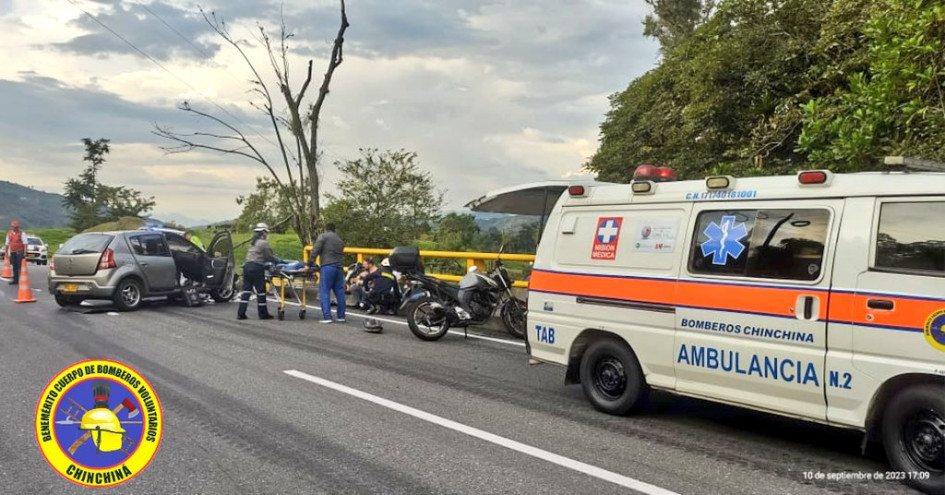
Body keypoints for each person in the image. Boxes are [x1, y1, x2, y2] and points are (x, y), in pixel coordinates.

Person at [236, 223, 283, 320]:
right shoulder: (263, 243)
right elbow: (269, 256)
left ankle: (241, 313)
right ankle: (263, 314)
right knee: (261, 291)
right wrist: (279, 261)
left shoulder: (252, 243)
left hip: (247, 267)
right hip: (256, 268)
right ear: (263, 233)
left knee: (246, 291)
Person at [309, 223, 346, 323]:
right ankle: (341, 316)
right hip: (339, 267)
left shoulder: (323, 236)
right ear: (334, 230)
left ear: (325, 229)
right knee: (340, 292)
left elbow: (315, 250)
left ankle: (327, 317)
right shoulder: (339, 240)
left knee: (325, 291)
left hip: (328, 266)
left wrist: (309, 263)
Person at [5, 220, 27, 285]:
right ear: (11, 227)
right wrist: (6, 252)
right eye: (13, 227)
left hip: (20, 251)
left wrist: (25, 252)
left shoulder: (22, 233)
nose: (15, 228)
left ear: (18, 227)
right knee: (14, 266)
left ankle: (21, 279)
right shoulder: (9, 234)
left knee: (19, 266)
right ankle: (15, 279)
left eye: (16, 227)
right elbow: (7, 244)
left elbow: (25, 243)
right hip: (13, 252)